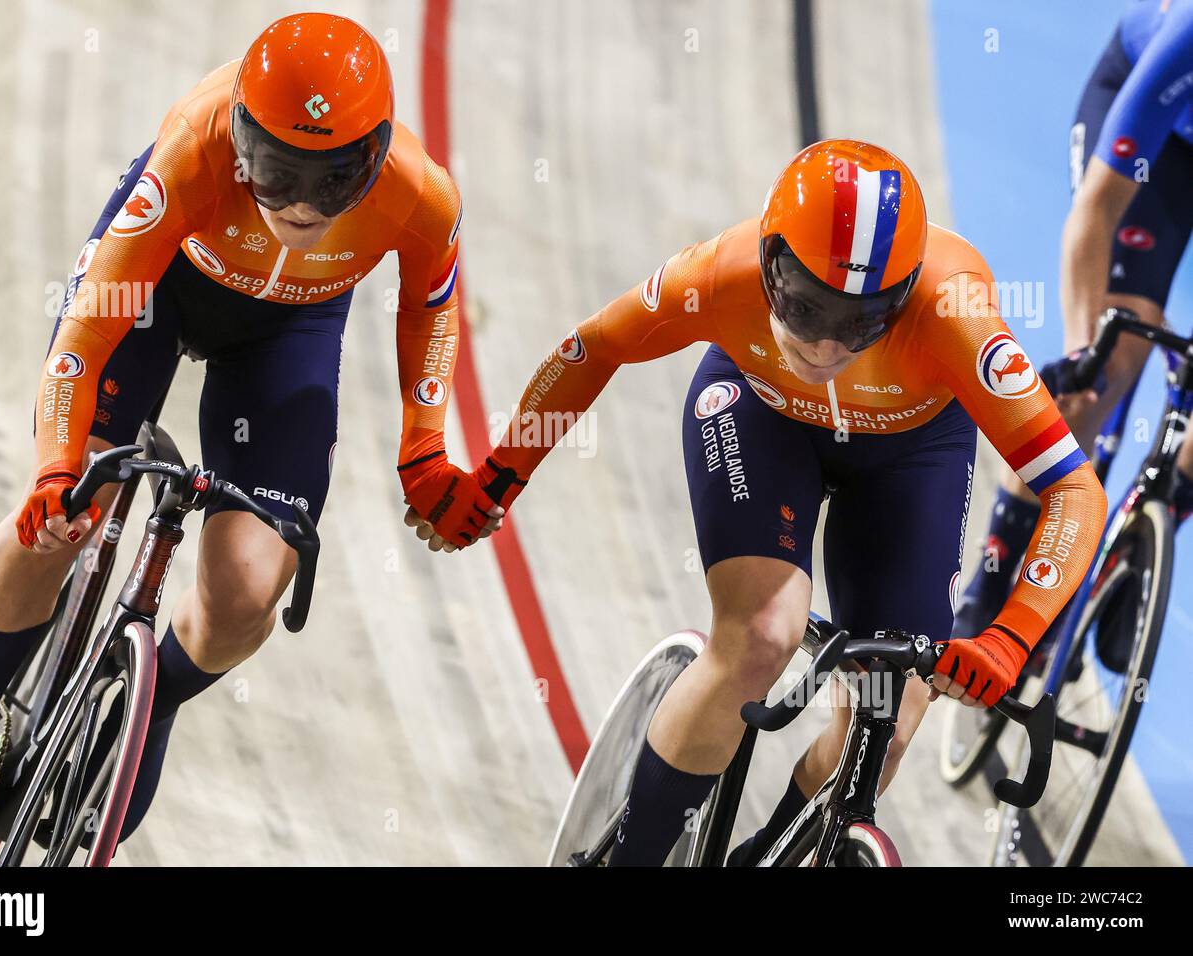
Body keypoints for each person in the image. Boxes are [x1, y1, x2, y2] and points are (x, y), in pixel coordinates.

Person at [0, 12, 501, 861]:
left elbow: (430, 314)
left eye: (330, 185)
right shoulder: (193, 141)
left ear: (372, 159)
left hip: (288, 333)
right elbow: (87, 327)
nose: (297, 205)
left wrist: (426, 454)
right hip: (159, 287)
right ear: (241, 141)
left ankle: (149, 703)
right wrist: (55, 467)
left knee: (248, 591)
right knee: (72, 510)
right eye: (276, 172)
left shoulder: (423, 194)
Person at [451, 140, 1108, 866]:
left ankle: (768, 853)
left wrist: (1009, 636)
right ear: (768, 264)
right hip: (761, 414)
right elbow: (593, 347)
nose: (824, 346)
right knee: (762, 636)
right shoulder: (719, 272)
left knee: (891, 711)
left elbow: (1074, 491)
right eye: (802, 306)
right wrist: (494, 481)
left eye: (858, 323)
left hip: (908, 452)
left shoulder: (957, 317)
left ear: (906, 296)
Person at [954, 0, 1193, 648]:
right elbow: (1095, 212)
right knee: (1110, 364)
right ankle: (996, 568)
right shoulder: (1185, 39)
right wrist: (1086, 349)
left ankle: (1151, 529)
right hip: (1157, 148)